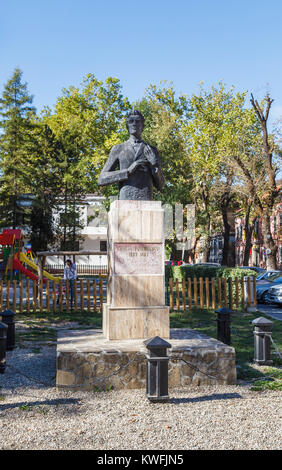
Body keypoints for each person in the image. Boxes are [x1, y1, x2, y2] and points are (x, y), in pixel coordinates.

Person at [98, 110, 165, 200]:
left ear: (143, 126)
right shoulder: (118, 149)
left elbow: (161, 185)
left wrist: (154, 165)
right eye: (131, 121)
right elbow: (102, 179)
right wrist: (128, 171)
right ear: (127, 126)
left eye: (137, 121)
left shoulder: (152, 150)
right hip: (125, 200)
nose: (134, 124)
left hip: (146, 200)